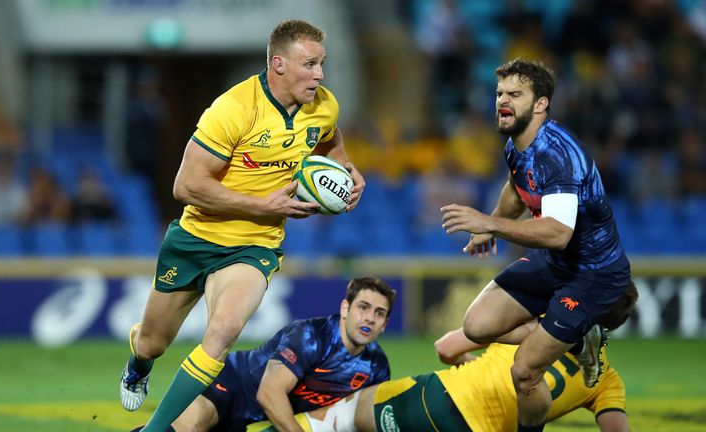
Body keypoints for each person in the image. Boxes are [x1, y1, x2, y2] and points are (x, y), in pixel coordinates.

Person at [119, 19, 365, 432]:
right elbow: (185, 185)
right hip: (197, 238)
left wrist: (347, 172)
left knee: (223, 332)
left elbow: (330, 140)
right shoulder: (233, 109)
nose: (320, 74)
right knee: (153, 342)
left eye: (322, 63)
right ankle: (138, 364)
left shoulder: (323, 105)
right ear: (279, 64)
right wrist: (259, 202)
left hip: (256, 245)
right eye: (310, 64)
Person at [439, 59, 631, 432]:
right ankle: (578, 339)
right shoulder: (516, 143)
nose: (502, 101)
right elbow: (517, 187)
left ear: (541, 103)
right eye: (499, 94)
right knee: (476, 327)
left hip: (593, 277)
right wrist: (492, 225)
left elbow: (558, 231)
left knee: (524, 371)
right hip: (556, 262)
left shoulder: (558, 155)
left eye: (514, 94)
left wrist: (488, 222)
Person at [246, 280, 637, 432]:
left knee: (335, 421)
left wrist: (479, 365)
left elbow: (447, 348)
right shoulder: (605, 381)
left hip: (435, 402)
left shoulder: (531, 329)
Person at [131, 277, 396, 432]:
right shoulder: (311, 336)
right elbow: (269, 394)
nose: (369, 318)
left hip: (250, 420)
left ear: (384, 324)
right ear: (345, 308)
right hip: (230, 385)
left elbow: (359, 416)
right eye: (363, 307)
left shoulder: (377, 367)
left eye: (379, 313)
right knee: (191, 425)